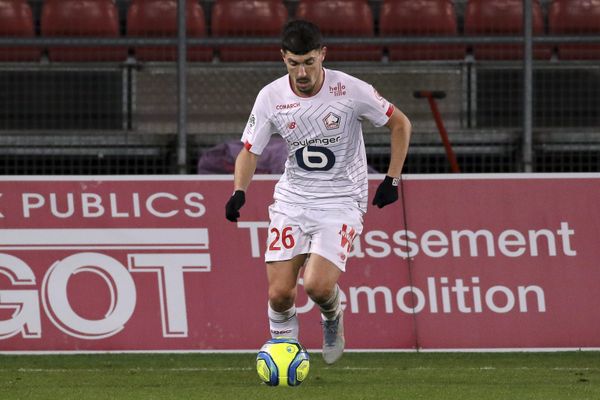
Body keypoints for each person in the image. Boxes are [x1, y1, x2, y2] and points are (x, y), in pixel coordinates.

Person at [225, 19, 411, 364]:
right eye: (294, 63)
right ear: (283, 58)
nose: (302, 72)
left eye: (309, 61)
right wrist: (239, 190)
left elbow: (400, 123)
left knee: (317, 286)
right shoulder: (271, 97)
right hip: (293, 199)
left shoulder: (350, 90)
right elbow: (250, 150)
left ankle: (331, 315)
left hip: (341, 199)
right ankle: (286, 357)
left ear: (322, 55)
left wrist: (392, 179)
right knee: (280, 293)